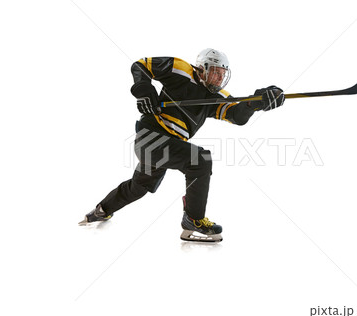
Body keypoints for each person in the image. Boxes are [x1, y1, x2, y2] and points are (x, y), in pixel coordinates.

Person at [78, 48, 285, 242]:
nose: (219, 79)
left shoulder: (216, 97)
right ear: (202, 68)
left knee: (139, 187)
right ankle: (194, 219)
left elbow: (237, 115)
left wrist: (255, 102)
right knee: (200, 160)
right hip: (150, 138)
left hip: (168, 146)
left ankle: (101, 210)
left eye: (223, 74)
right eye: (215, 73)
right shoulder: (181, 69)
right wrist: (143, 90)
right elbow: (140, 66)